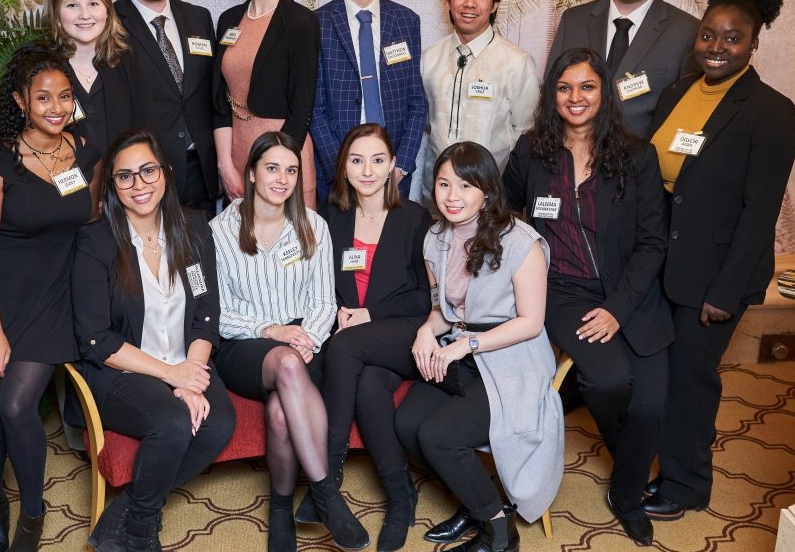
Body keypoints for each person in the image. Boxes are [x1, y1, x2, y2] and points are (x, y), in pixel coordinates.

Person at [642, 0, 795, 522]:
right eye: (709, 34)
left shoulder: (771, 113)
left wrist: (724, 291)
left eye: (732, 38)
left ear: (754, 42)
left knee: (691, 378)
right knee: (658, 372)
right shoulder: (680, 91)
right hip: (664, 260)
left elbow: (761, 213)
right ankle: (655, 464)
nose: (716, 46)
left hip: (712, 276)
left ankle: (687, 485)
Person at [503, 48, 672, 545]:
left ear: (604, 93)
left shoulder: (637, 156)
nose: (575, 98)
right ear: (552, 95)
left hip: (632, 289)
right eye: (564, 88)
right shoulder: (530, 151)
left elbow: (652, 242)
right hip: (560, 290)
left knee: (651, 401)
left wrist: (618, 309)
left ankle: (626, 488)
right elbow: (511, 218)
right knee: (607, 380)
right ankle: (630, 483)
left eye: (587, 87)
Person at [0, 43, 102, 551]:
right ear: (20, 100)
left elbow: (90, 214)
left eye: (64, 96)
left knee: (18, 406)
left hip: (50, 297)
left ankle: (33, 513)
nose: (56, 108)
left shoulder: (82, 149)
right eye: (43, 98)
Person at [395, 142, 563, 552]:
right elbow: (444, 309)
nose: (452, 196)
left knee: (437, 436)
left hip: (511, 358)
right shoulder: (436, 238)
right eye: (443, 184)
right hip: (461, 349)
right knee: (406, 426)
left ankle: (499, 531)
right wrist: (426, 332)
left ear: (486, 191)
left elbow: (531, 322)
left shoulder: (521, 241)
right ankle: (477, 502)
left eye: (466, 186)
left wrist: (466, 344)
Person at [72, 130, 235, 552]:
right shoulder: (96, 242)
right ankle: (143, 531)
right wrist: (172, 375)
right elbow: (96, 340)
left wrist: (192, 374)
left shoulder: (195, 228)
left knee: (219, 424)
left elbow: (205, 312)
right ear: (112, 187)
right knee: (172, 421)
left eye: (147, 171)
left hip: (185, 359)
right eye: (124, 177)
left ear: (164, 172)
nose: (139, 184)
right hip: (123, 368)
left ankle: (122, 513)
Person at [209, 131, 367, 551]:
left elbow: (323, 299)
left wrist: (308, 338)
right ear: (253, 173)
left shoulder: (312, 225)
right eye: (272, 168)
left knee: (281, 413)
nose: (282, 179)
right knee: (286, 365)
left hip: (304, 339)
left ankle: (280, 508)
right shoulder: (220, 231)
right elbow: (217, 312)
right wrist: (271, 332)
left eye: (291, 170)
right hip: (244, 344)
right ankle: (326, 495)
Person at [302, 123, 431, 551]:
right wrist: (338, 309)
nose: (368, 170)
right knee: (371, 387)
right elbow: (318, 281)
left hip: (404, 333)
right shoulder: (331, 215)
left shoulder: (414, 218)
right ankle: (401, 496)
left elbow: (422, 298)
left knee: (345, 346)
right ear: (344, 167)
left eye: (378, 160)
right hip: (357, 340)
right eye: (357, 161)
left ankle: (328, 471)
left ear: (394, 165)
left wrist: (369, 314)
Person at [547, 0, 699, 137]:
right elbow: (551, 95)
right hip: (570, 161)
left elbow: (686, 117)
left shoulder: (686, 31)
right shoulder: (573, 20)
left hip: (641, 166)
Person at [310, 0, 427, 203]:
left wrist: (402, 165)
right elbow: (314, 109)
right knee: (342, 245)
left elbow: (417, 102)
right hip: (337, 170)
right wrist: (340, 168)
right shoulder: (317, 24)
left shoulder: (406, 21)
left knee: (388, 246)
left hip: (392, 171)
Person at [113, 0, 220, 216]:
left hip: (203, 172)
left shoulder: (199, 18)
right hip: (146, 176)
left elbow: (210, 94)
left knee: (204, 259)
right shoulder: (109, 24)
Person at [213, 0, 320, 208]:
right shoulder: (227, 20)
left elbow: (302, 109)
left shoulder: (301, 22)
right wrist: (225, 163)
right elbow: (219, 101)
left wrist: (273, 168)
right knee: (241, 248)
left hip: (283, 154)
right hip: (236, 152)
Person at [417, 0, 539, 208]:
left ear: (494, 4)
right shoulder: (429, 59)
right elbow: (425, 125)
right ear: (449, 1)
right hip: (437, 200)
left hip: (493, 200)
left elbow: (526, 133)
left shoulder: (517, 62)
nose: (469, 3)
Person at [44, 0, 161, 155]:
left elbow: (146, 131)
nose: (85, 15)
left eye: (93, 4)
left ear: (107, 10)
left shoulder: (128, 61)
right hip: (62, 181)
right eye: (72, 5)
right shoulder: (42, 68)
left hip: (122, 179)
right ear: (56, 12)